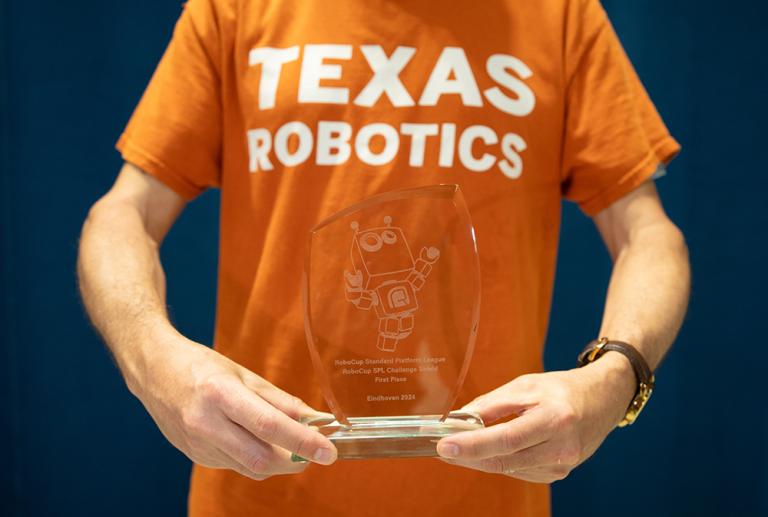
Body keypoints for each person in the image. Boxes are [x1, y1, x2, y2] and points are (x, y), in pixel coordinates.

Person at [77, 0, 690, 515]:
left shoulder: (558, 16)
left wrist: (614, 379)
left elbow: (648, 235)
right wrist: (154, 362)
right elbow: (123, 213)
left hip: (488, 493)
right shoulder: (238, 9)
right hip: (259, 490)